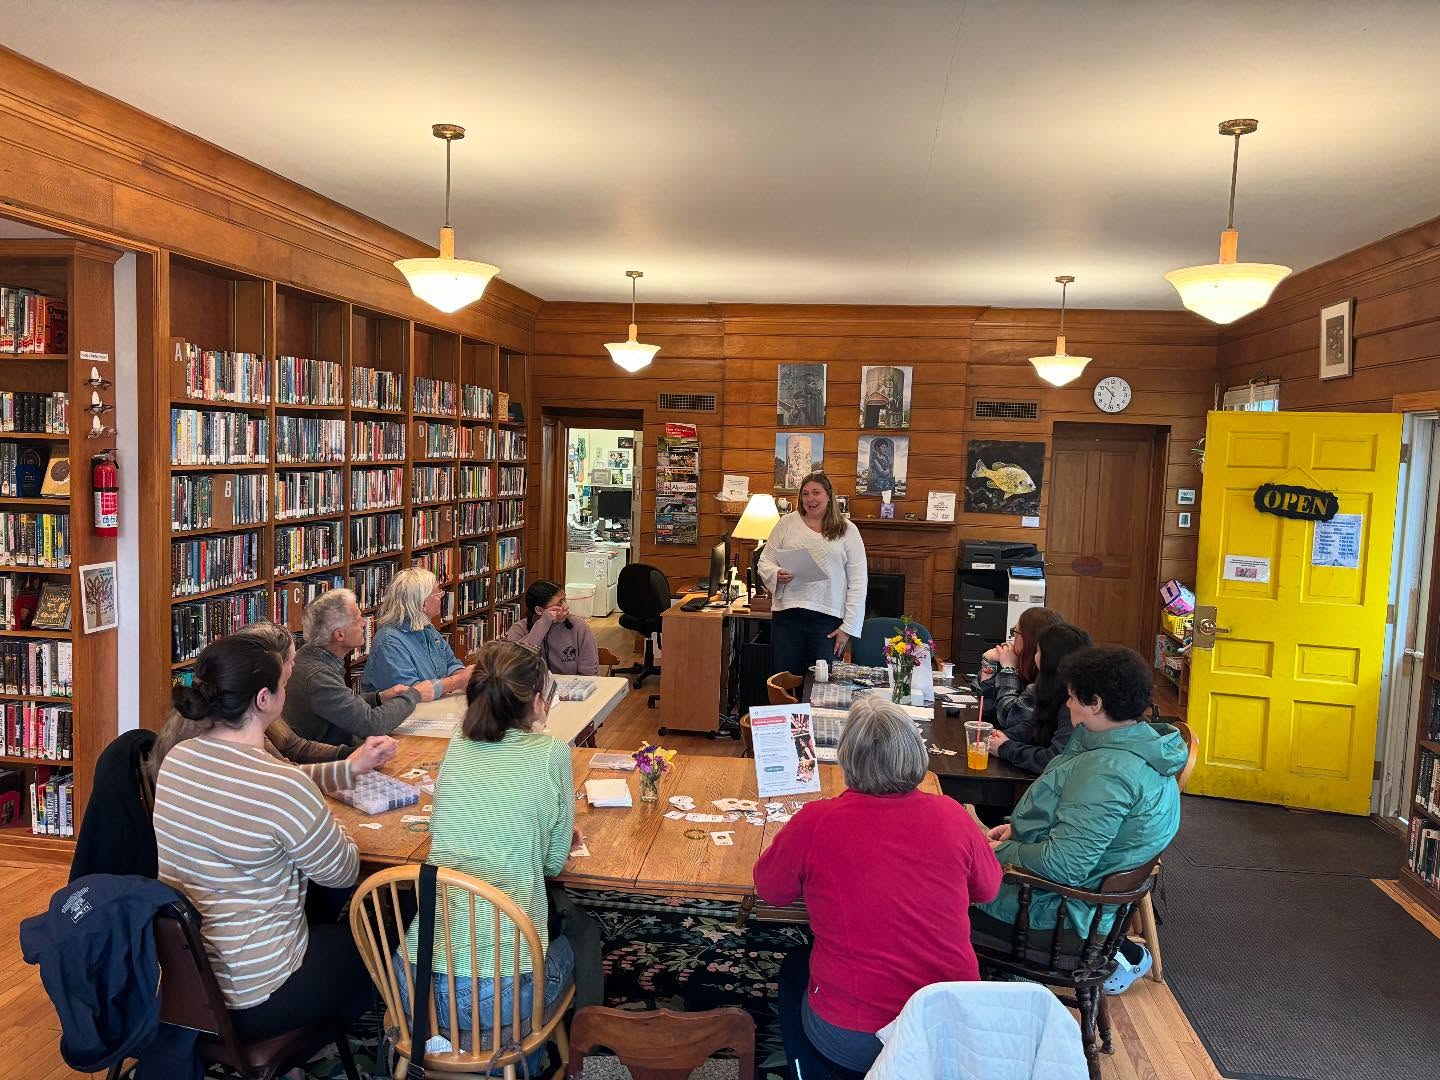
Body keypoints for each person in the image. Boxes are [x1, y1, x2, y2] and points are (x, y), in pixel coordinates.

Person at [755, 697, 1002, 1077]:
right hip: (948, 1028)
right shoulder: (952, 813)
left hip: (855, 1035)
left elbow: (771, 891)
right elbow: (988, 890)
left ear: (846, 758)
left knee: (792, 970)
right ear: (915, 754)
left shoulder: (816, 821)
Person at [151, 634, 373, 1040]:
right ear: (263, 700)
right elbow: (343, 872)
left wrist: (341, 774)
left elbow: (257, 798)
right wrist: (338, 827)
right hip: (258, 991)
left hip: (188, 984)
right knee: (374, 935)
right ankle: (326, 1043)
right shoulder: (282, 786)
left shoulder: (176, 760)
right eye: (283, 685)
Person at [406, 639, 602, 1069]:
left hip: (414, 985)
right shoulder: (551, 753)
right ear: (536, 701)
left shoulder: (458, 744)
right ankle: (592, 1047)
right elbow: (550, 865)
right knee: (583, 936)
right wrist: (561, 834)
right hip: (500, 995)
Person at [972, 645, 1187, 996]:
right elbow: (1089, 831)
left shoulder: (1109, 771)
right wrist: (1018, 831)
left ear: (1097, 704)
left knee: (936, 888)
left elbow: (1065, 865)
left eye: (1072, 697)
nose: (1068, 705)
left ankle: (997, 999)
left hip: (1062, 914)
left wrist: (1006, 851)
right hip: (1086, 905)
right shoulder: (1143, 747)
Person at [148, 621, 398, 782]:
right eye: (290, 660)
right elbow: (281, 779)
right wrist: (349, 766)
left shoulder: (229, 710)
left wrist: (351, 757)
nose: (295, 665)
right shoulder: (236, 728)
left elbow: (293, 751)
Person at [757, 471, 867, 676]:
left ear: (828, 496)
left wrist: (848, 628)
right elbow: (765, 561)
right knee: (785, 681)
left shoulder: (847, 530)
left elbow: (859, 582)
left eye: (816, 492)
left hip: (828, 621)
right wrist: (776, 573)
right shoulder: (786, 524)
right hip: (787, 617)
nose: (810, 499)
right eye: (805, 494)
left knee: (822, 685)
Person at [284, 588, 425, 746]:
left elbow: (339, 704)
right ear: (339, 635)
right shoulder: (318, 675)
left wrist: (379, 698)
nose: (364, 623)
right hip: (329, 764)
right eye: (358, 619)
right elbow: (372, 725)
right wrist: (414, 694)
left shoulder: (310, 655)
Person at [987, 622, 1092, 775]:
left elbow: (1054, 759)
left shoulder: (1075, 703)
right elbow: (1038, 723)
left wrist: (1006, 747)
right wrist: (1008, 736)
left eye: (1037, 651)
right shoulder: (1055, 688)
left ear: (1050, 659)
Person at [362, 567, 474, 698]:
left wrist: (464, 674)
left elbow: (450, 662)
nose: (441, 596)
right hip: (403, 715)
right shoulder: (389, 642)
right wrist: (457, 682)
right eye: (437, 593)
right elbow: (412, 693)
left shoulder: (426, 628)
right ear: (422, 603)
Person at [978, 605, 1064, 724]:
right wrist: (989, 663)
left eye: (1015, 632)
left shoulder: (1044, 683)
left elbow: (1007, 717)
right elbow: (987, 710)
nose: (1012, 640)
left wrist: (1008, 669)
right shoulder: (1024, 668)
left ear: (1029, 640)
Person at [503, 580, 599, 675]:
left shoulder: (579, 626)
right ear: (539, 610)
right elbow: (514, 667)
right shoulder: (518, 629)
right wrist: (542, 625)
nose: (566, 606)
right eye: (559, 604)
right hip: (531, 689)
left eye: (564, 599)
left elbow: (589, 672)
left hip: (574, 687)